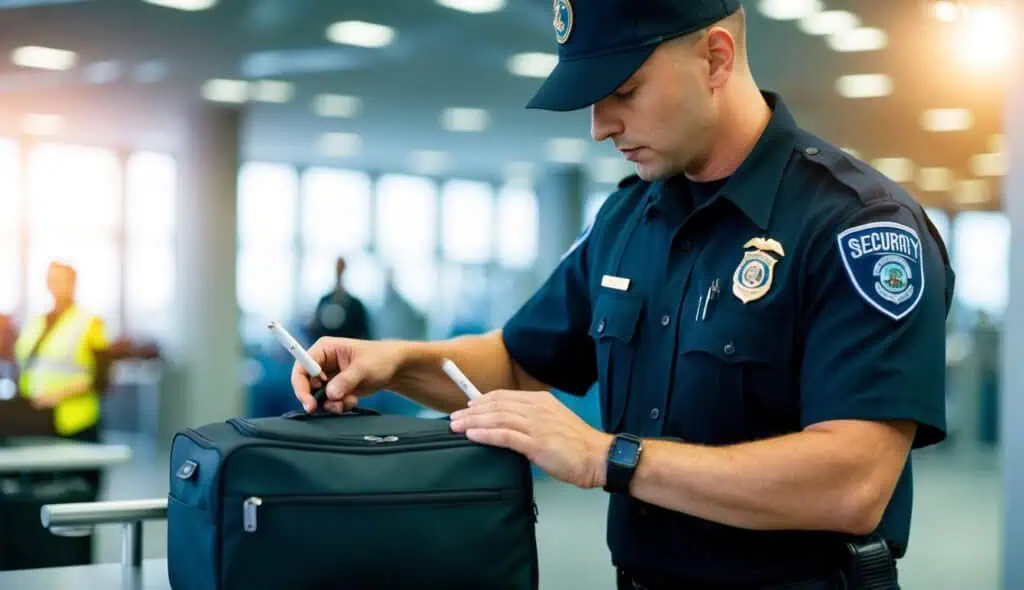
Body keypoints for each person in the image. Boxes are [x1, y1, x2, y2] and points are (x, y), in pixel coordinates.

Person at [291, 1, 954, 588]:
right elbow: (521, 363)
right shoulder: (630, 218)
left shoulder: (857, 227)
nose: (599, 126)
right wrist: (393, 363)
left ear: (716, 58)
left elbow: (853, 482)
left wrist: (609, 456)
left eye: (624, 91)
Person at [14, 261, 112, 492]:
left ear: (73, 283)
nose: (56, 286)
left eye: (62, 280)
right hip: (39, 420)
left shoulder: (89, 322)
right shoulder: (37, 322)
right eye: (51, 280)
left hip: (77, 421)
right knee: (41, 490)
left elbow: (102, 378)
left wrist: (56, 395)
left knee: (78, 490)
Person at [307, 256, 372, 342]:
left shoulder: (356, 305)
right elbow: (315, 328)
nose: (339, 270)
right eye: (337, 267)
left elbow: (365, 333)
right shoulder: (324, 301)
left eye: (341, 267)